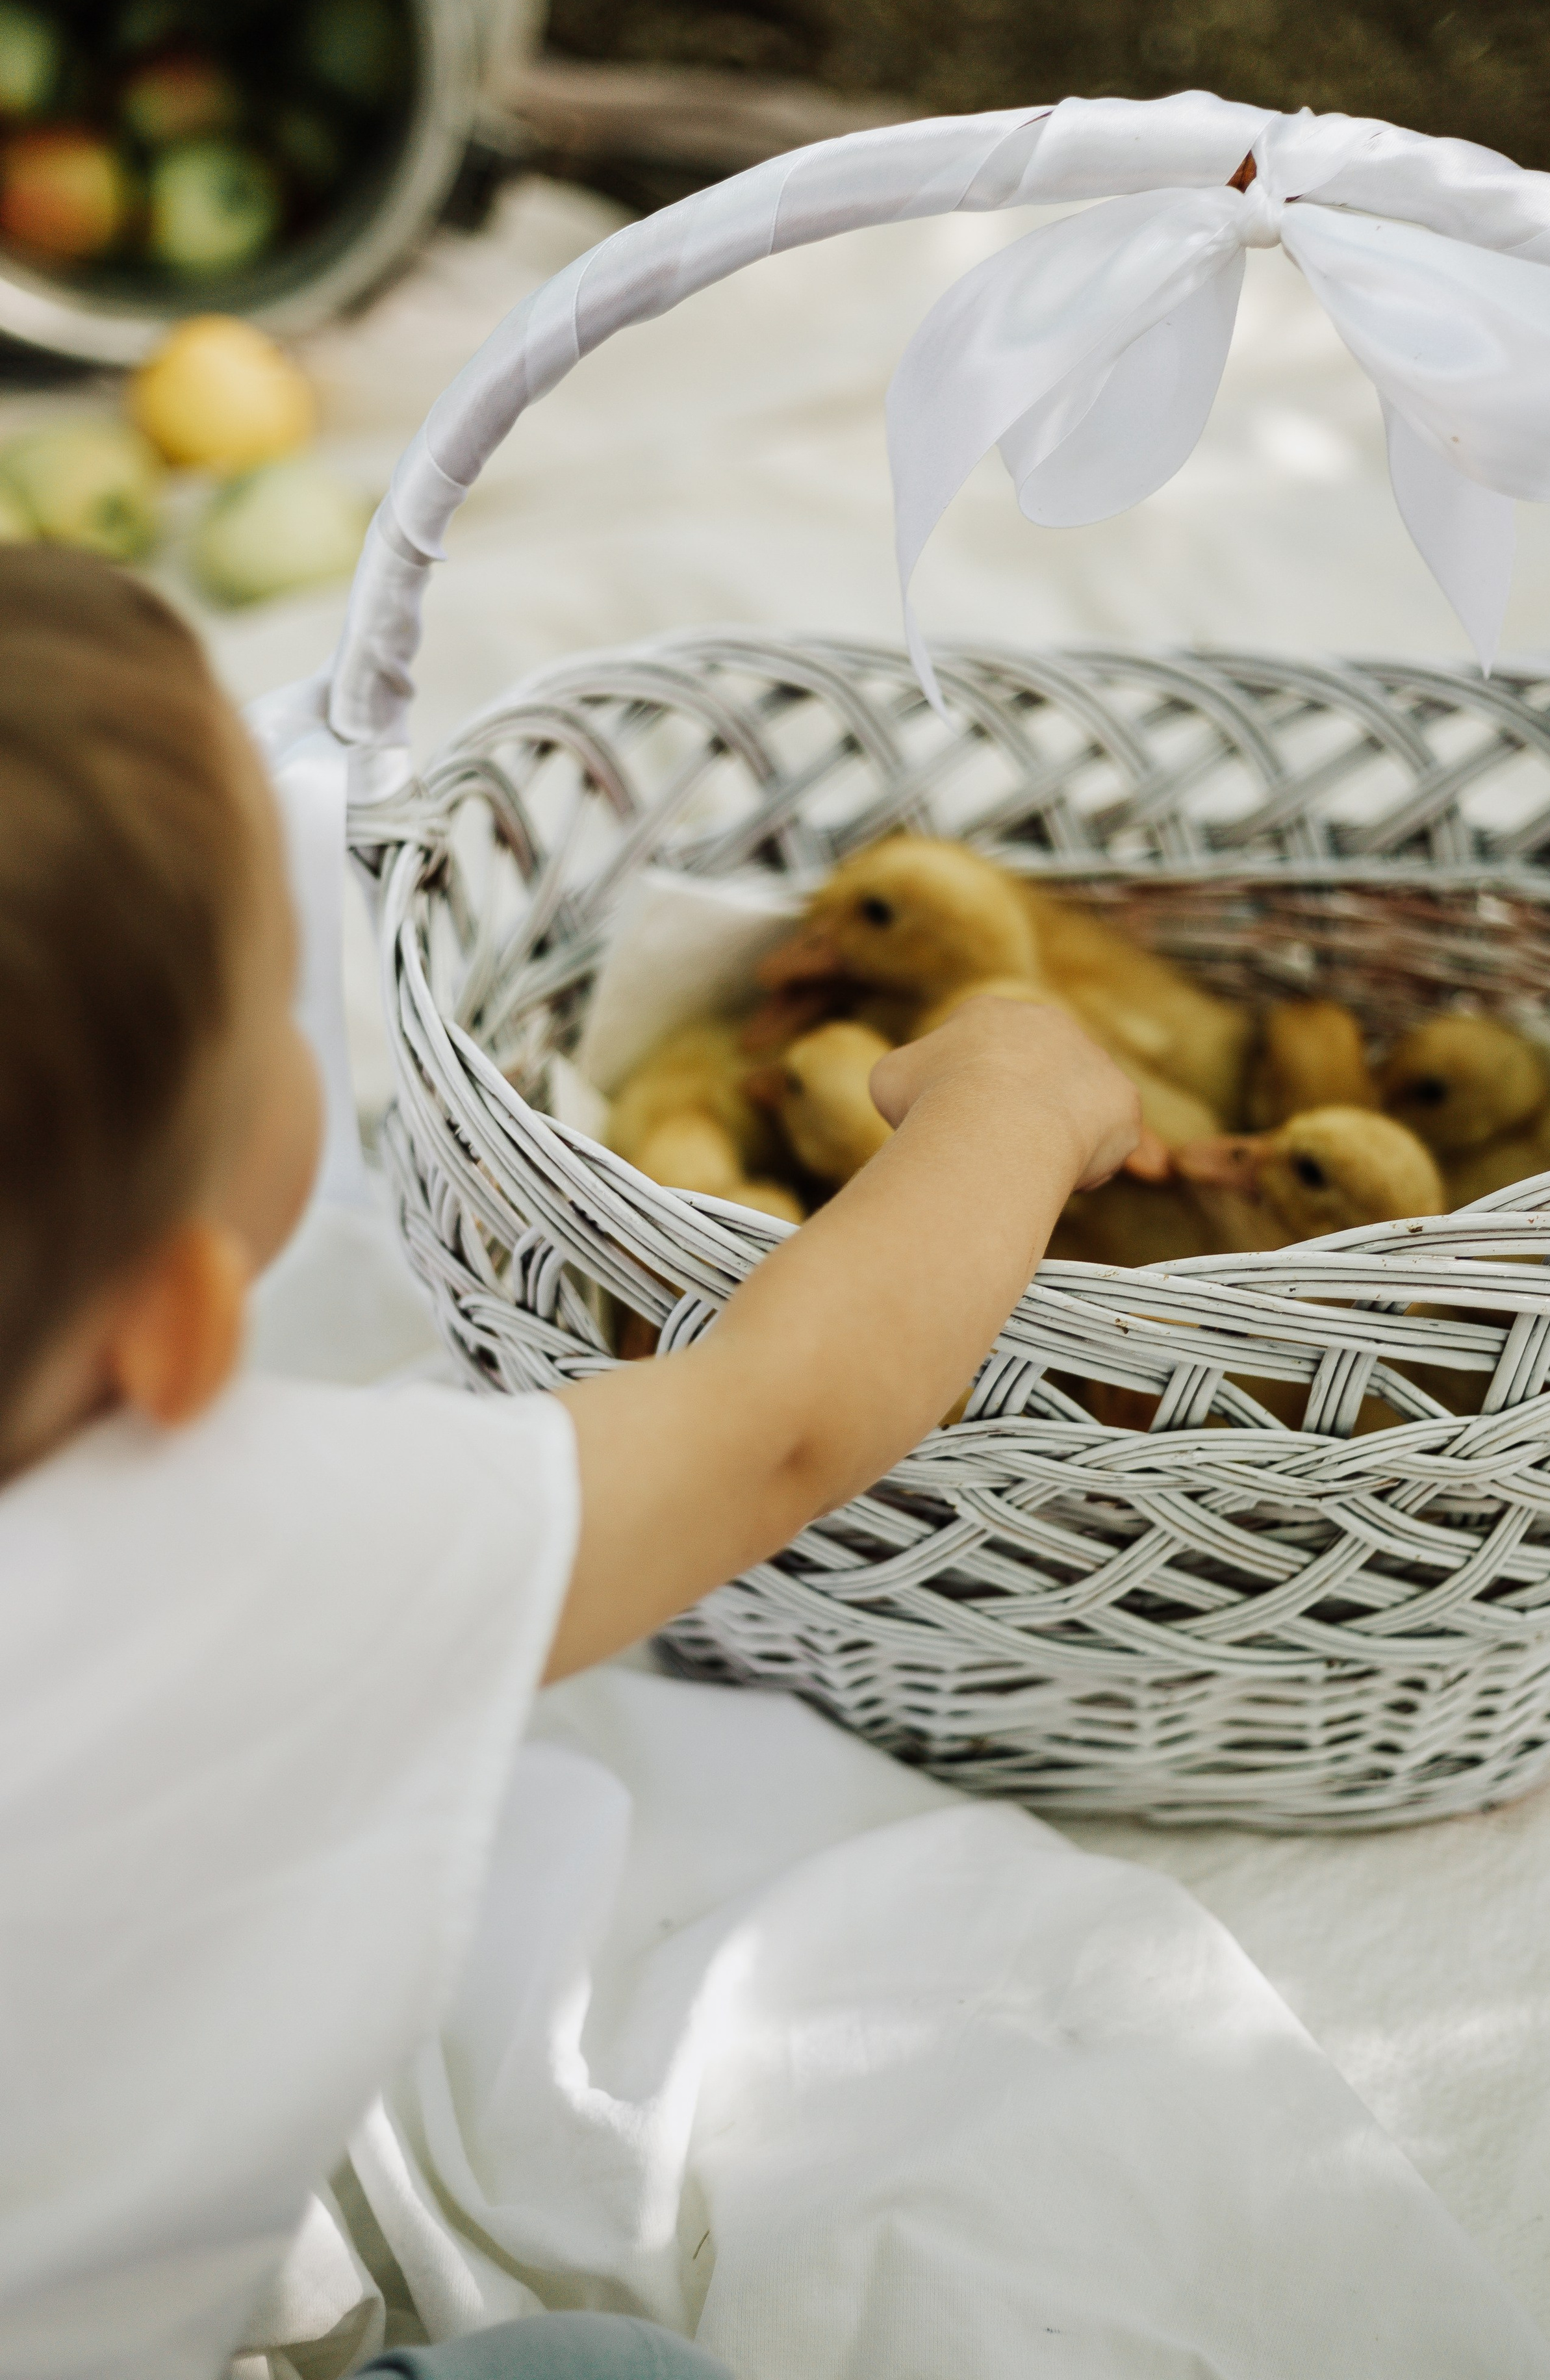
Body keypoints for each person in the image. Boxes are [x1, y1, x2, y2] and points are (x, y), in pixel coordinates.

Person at [0, 547, 1145, 2380]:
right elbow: (782, 1417)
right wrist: (1012, 1098)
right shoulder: (264, 1551)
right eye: (288, 1015)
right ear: (182, 1323)